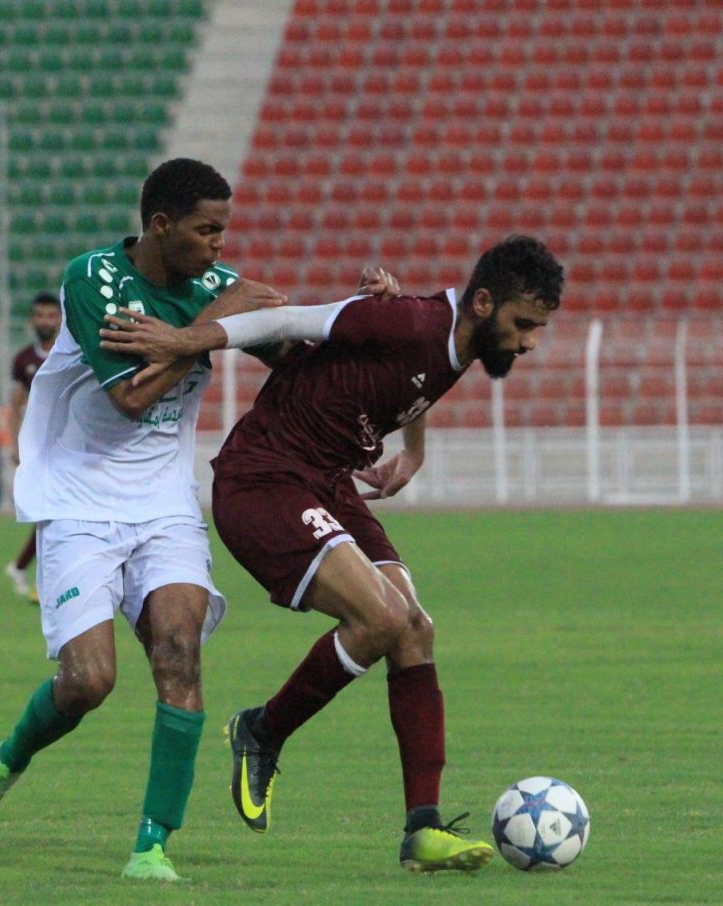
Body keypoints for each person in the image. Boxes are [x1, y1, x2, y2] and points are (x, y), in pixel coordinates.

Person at [98, 235, 565, 873]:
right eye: (524, 324)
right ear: (483, 303)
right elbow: (286, 322)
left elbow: (416, 382)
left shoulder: (455, 339)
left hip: (327, 482)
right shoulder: (407, 320)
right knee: (382, 617)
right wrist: (182, 341)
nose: (530, 341)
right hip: (266, 478)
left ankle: (423, 829)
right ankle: (262, 730)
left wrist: (414, 451)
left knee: (413, 628)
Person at [0, 158, 293, 883]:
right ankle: (9, 758)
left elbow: (296, 351)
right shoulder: (94, 278)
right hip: (79, 503)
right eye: (207, 230)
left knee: (180, 654)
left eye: (223, 230)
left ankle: (152, 845)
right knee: (88, 681)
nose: (220, 245)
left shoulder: (216, 289)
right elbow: (131, 397)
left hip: (164, 504)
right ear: (161, 225)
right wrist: (214, 327)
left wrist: (363, 316)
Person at [4, 291, 62, 601]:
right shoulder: (23, 360)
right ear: (32, 320)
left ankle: (22, 567)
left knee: (53, 510)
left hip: (67, 442)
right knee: (49, 509)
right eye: (40, 315)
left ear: (61, 318)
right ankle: (40, 581)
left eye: (51, 315)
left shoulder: (71, 352)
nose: (45, 321)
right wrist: (15, 444)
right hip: (38, 446)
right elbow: (15, 405)